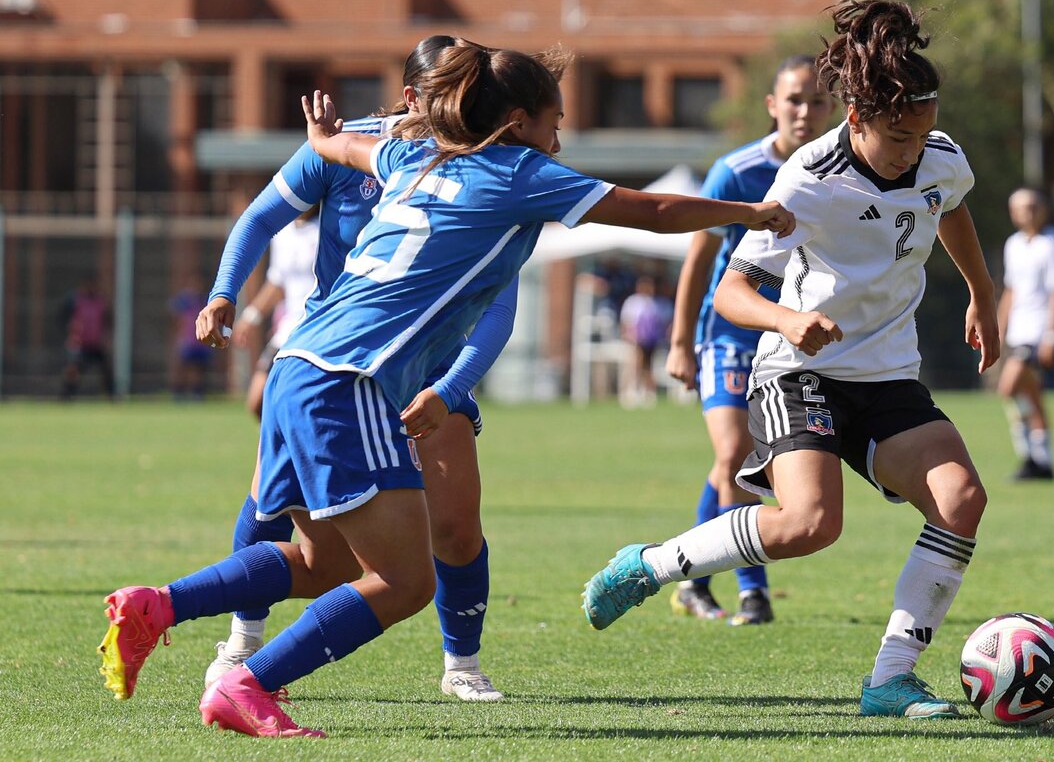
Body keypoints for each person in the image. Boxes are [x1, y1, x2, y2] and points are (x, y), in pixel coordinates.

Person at [97, 39, 796, 737]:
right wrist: (748, 214)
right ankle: (248, 684)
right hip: (352, 381)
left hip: (297, 366)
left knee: (323, 562)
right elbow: (655, 212)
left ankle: (156, 605)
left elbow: (348, 153)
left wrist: (323, 141)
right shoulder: (520, 171)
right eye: (554, 119)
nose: (561, 135)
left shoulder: (413, 156)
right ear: (519, 120)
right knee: (406, 581)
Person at [583, 0, 999, 721]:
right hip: (797, 372)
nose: (913, 151)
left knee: (963, 500)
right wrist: (788, 319)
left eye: (923, 133)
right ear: (858, 118)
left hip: (888, 375)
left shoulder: (939, 155)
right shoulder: (810, 175)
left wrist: (980, 294)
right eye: (898, 137)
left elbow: (950, 204)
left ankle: (891, 681)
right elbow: (735, 292)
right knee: (810, 525)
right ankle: (651, 564)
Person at [193, 36, 516, 703]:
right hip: (333, 366)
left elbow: (498, 304)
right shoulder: (351, 148)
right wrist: (226, 288)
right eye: (453, 91)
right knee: (271, 502)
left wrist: (451, 388)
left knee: (454, 527)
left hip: (428, 371)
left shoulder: (487, 166)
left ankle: (462, 662)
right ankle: (243, 639)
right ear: (412, 98)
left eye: (475, 90)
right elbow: (260, 217)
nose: (468, 104)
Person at [664, 54, 835, 626]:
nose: (805, 111)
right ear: (772, 106)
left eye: (816, 101)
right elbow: (699, 260)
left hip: (789, 340)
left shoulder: (839, 172)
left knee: (734, 466)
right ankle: (753, 590)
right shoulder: (734, 171)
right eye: (794, 100)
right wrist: (680, 341)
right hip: (729, 336)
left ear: (833, 107)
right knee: (733, 456)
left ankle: (690, 578)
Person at [996, 187, 1054, 481]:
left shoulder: (1051, 243)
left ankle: (1029, 455)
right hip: (1018, 330)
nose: (1029, 212)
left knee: (1008, 387)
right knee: (1030, 394)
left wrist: (1052, 336)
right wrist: (998, 328)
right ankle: (1041, 459)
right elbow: (1010, 291)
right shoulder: (1013, 244)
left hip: (1037, 332)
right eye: (1023, 207)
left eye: (1034, 206)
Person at [231, 207, 319, 419]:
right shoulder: (284, 232)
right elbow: (277, 282)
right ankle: (282, 446)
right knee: (257, 401)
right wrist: (251, 316)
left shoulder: (327, 228)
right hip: (288, 328)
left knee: (299, 401)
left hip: (315, 326)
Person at [59, 279, 114, 399]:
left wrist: (106, 338)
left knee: (106, 370)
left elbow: (107, 322)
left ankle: (111, 395)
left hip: (96, 344)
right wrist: (70, 334)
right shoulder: (74, 301)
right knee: (73, 370)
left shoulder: (101, 302)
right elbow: (64, 319)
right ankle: (67, 396)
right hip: (80, 344)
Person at [619, 274, 668, 407]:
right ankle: (630, 391)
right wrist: (630, 336)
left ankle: (649, 392)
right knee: (635, 365)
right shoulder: (633, 302)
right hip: (636, 339)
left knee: (649, 366)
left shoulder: (658, 303)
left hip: (652, 340)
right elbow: (627, 322)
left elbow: (664, 322)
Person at [169, 273, 215, 400]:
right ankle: (178, 393)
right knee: (182, 367)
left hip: (200, 341)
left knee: (198, 370)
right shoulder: (184, 300)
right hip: (187, 340)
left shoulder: (205, 300)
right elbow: (175, 320)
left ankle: (197, 394)